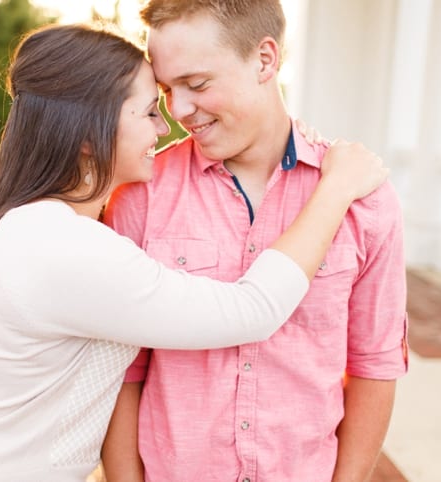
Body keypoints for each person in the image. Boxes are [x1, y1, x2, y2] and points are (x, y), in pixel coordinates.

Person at [0, 23, 388, 482]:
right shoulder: (63, 247)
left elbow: (375, 360)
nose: (168, 124)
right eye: (150, 109)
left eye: (194, 85)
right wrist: (337, 188)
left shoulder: (42, 229)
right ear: (90, 133)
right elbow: (252, 309)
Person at [101, 1, 409, 481]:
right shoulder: (140, 196)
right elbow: (122, 373)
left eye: (197, 84)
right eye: (166, 89)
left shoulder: (365, 199)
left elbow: (375, 364)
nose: (178, 110)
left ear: (265, 59)